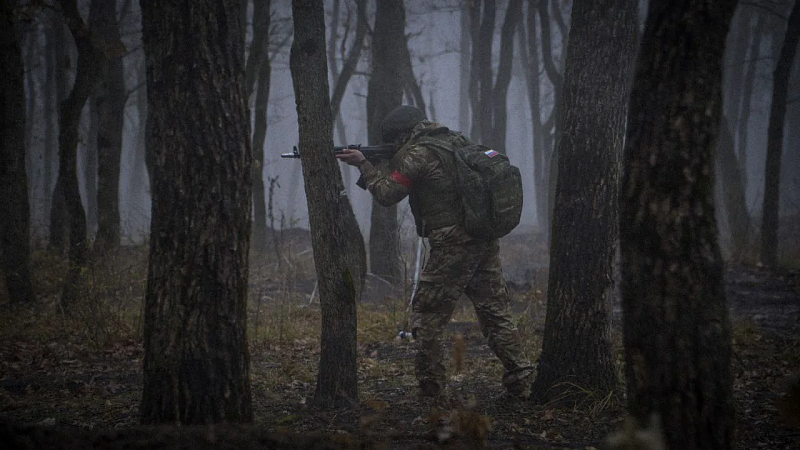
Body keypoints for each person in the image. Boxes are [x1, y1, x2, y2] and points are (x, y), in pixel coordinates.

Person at [336, 105, 534, 398]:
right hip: (482, 237)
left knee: (427, 314)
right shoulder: (454, 140)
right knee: (495, 312)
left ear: (402, 135)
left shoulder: (418, 153)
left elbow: (387, 195)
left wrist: (364, 165)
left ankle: (432, 388)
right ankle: (522, 379)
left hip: (453, 244)